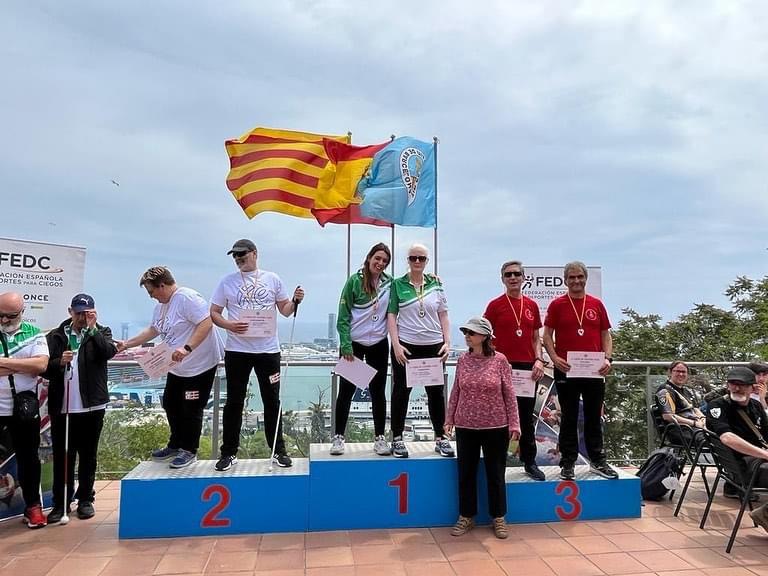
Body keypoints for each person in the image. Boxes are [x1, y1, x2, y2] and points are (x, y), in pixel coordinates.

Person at [210, 239, 304, 470]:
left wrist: (295, 300)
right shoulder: (227, 282)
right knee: (234, 401)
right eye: (235, 255)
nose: (239, 258)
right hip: (237, 350)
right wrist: (229, 325)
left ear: (254, 253)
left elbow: (285, 310)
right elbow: (214, 312)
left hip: (268, 350)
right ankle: (229, 452)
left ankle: (278, 450)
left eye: (242, 254)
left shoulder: (272, 279)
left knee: (272, 401)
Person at [118, 267, 222, 469]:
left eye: (152, 292)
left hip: (199, 364)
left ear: (162, 285)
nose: (151, 297)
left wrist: (187, 348)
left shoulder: (187, 298)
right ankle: (175, 444)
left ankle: (189, 450)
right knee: (171, 403)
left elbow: (207, 322)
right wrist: (127, 344)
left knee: (191, 408)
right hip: (176, 365)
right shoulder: (161, 306)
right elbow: (153, 330)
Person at [43, 293, 117, 523]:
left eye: (87, 313)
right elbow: (43, 368)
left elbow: (109, 352)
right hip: (63, 407)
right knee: (64, 456)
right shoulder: (55, 336)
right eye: (79, 313)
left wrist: (93, 330)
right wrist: (58, 363)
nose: (83, 318)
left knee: (88, 454)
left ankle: (85, 498)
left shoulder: (102, 332)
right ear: (70, 312)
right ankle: (61, 502)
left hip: (92, 405)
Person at [445, 317, 520, 540]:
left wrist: (515, 423)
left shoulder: (500, 361)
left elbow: (509, 394)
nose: (467, 336)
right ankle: (466, 516)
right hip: (466, 425)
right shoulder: (462, 360)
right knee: (465, 473)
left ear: (485, 336)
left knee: (495, 474)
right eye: (466, 332)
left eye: (472, 332)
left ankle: (498, 517)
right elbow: (456, 391)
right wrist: (449, 418)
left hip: (496, 425)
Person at [542, 261, 618, 480]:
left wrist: (608, 359)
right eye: (571, 277)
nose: (576, 281)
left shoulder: (596, 304)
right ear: (565, 281)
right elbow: (547, 335)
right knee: (568, 417)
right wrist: (554, 358)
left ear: (585, 279)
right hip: (566, 369)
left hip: (594, 371)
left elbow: (606, 335)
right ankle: (568, 463)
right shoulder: (557, 305)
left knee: (594, 416)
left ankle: (598, 461)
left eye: (579, 277)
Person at [388, 243, 453, 459]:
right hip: (406, 345)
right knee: (400, 393)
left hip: (434, 345)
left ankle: (441, 438)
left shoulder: (435, 284)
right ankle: (397, 438)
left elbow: (443, 314)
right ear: (407, 259)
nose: (417, 262)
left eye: (422, 258)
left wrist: (448, 342)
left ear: (427, 261)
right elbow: (391, 316)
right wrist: (396, 345)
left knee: (436, 393)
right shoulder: (397, 284)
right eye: (413, 258)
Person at [484, 260, 546, 481]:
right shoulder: (494, 305)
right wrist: (494, 361)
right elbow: (486, 338)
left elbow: (534, 337)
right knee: (500, 417)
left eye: (517, 274)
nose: (513, 278)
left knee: (526, 417)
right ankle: (497, 462)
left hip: (528, 369)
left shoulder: (531, 305)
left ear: (523, 277)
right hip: (502, 367)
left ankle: (529, 462)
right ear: (502, 279)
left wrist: (539, 359)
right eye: (508, 274)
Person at [332, 243, 392, 456]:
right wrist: (346, 344)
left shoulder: (389, 283)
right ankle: (339, 437)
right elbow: (343, 315)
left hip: (378, 343)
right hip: (354, 345)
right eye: (377, 258)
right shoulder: (354, 281)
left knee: (378, 391)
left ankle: (379, 438)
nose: (380, 263)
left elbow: (408, 286)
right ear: (369, 258)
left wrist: (432, 278)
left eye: (384, 261)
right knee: (346, 391)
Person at [0, 292, 49, 528]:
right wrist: (22, 366)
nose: (3, 321)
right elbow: (30, 365)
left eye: (9, 316)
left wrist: (5, 364)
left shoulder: (34, 333)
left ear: (21, 313)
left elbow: (40, 365)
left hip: (24, 407)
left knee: (28, 458)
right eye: (0, 315)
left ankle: (33, 507)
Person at [703, 367, 768, 530]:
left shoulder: (756, 406)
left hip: (757, 461)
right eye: (733, 384)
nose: (737, 388)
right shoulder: (717, 406)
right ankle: (765, 514)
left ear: (752, 387)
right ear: (727, 385)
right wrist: (764, 454)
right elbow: (727, 438)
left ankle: (765, 513)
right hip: (742, 467)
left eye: (742, 384)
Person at [655, 361, 706, 445]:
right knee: (717, 440)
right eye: (678, 371)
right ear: (670, 372)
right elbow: (668, 416)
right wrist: (695, 423)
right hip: (680, 431)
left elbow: (695, 409)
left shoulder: (685, 390)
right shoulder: (665, 390)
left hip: (695, 428)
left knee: (724, 431)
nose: (681, 374)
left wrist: (703, 419)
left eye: (683, 372)